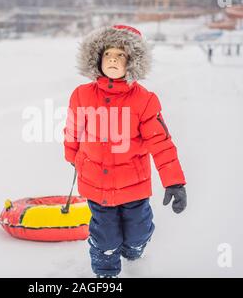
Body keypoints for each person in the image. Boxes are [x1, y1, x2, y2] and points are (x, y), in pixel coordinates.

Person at [63, 25, 187, 278]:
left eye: (120, 55)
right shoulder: (82, 95)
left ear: (132, 62)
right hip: (97, 185)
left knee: (138, 230)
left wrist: (174, 182)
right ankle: (106, 274)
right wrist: (73, 157)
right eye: (108, 54)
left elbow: (161, 142)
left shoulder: (144, 100)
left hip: (134, 185)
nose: (113, 60)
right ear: (96, 58)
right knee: (105, 237)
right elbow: (73, 130)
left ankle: (134, 252)